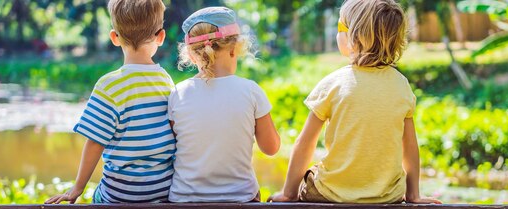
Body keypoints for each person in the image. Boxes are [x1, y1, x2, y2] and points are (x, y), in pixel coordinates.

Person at [268, 0, 442, 204]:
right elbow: (410, 146)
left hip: (331, 193)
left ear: (356, 37)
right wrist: (414, 195)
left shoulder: (333, 83)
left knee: (314, 173)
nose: (337, 32)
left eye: (341, 27)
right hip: (386, 196)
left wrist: (289, 193)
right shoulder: (401, 85)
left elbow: (305, 142)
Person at [45, 0, 175, 203]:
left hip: (119, 195)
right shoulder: (166, 81)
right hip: (162, 191)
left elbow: (95, 142)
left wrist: (77, 188)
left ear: (115, 37)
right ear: (161, 36)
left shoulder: (109, 85)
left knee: (99, 193)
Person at [167, 7, 280, 203]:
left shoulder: (178, 93)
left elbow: (174, 146)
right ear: (235, 48)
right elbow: (271, 148)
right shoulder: (251, 91)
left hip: (184, 200)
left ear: (192, 56)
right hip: (241, 199)